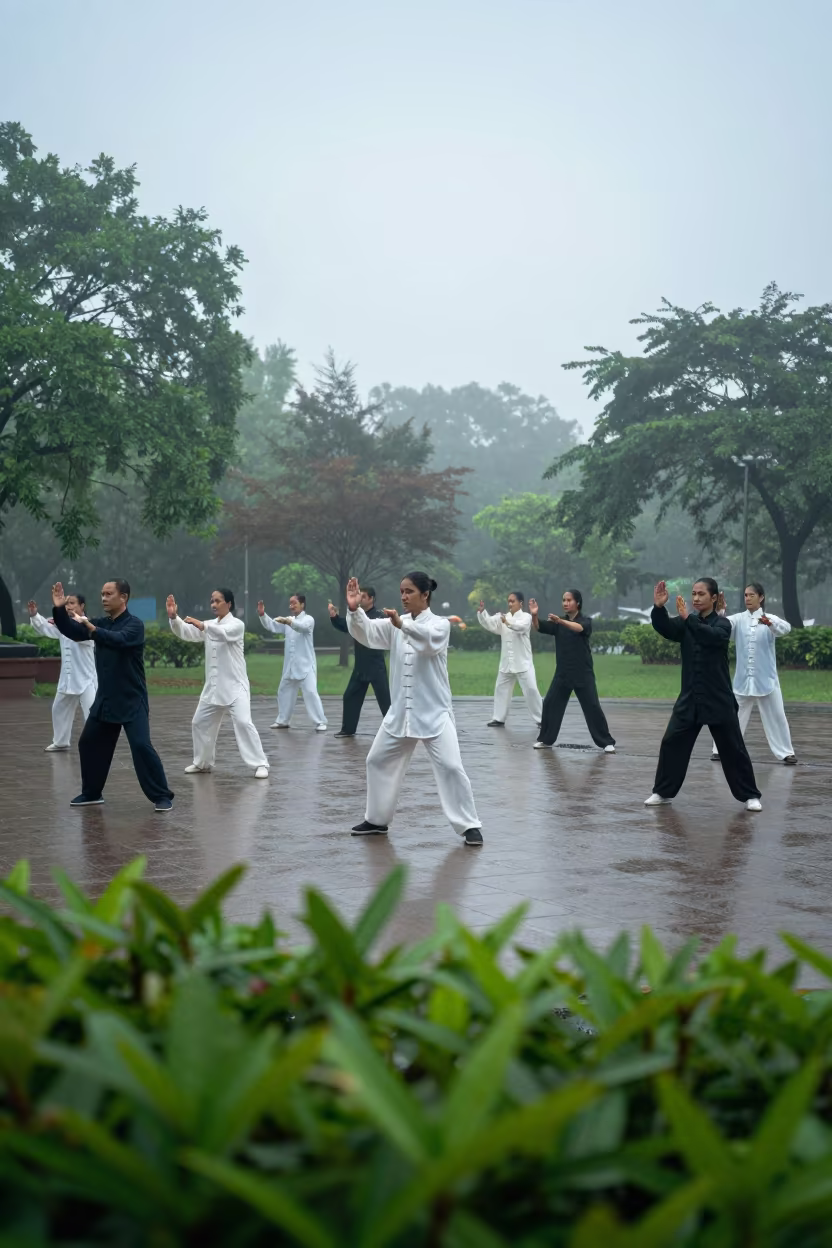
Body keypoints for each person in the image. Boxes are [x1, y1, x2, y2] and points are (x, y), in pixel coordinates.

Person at [345, 572, 483, 847]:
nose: (404, 597)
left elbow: (430, 644)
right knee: (376, 760)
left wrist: (401, 625)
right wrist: (354, 609)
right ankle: (376, 820)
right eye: (401, 591)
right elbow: (369, 633)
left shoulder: (440, 624)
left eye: (409, 591)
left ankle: (469, 825)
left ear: (425, 595)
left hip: (435, 712)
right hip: (401, 714)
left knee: (452, 766)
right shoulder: (396, 622)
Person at [51, 579, 174, 811]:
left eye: (109, 594)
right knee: (88, 743)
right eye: (102, 594)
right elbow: (72, 631)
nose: (104, 598)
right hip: (106, 699)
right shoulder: (99, 624)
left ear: (123, 597)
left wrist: (93, 629)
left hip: (132, 700)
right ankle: (91, 793)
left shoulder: (134, 625)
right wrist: (59, 609)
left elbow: (119, 640)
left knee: (141, 746)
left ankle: (162, 796)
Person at [646, 579, 762, 811]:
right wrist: (659, 608)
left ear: (714, 597)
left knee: (733, 748)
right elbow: (666, 628)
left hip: (718, 698)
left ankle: (750, 795)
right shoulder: (686, 623)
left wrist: (688, 618)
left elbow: (712, 637)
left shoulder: (723, 624)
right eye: (693, 594)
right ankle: (662, 792)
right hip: (690, 697)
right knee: (672, 743)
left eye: (701, 594)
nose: (696, 598)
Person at [167, 589, 269, 778]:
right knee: (199, 722)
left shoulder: (237, 625)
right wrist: (175, 619)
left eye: (218, 601)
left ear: (229, 604)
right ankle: (202, 763)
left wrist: (203, 625)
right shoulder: (209, 624)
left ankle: (260, 763)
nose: (213, 605)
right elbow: (188, 633)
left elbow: (223, 634)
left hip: (236, 687)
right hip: (213, 688)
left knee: (243, 722)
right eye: (212, 601)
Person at [710, 582, 797, 766]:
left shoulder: (769, 618)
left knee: (777, 716)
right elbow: (722, 626)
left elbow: (786, 629)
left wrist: (770, 623)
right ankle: (720, 749)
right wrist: (719, 612)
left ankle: (786, 753)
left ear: (761, 597)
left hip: (767, 679)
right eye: (746, 595)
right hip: (743, 679)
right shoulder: (739, 619)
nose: (747, 598)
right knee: (732, 715)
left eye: (751, 595)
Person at [529, 590, 616, 753]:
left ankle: (606, 742)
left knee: (592, 707)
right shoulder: (558, 623)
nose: (565, 603)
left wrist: (560, 622)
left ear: (578, 603)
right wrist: (534, 615)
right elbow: (539, 627)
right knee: (550, 703)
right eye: (563, 600)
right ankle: (546, 740)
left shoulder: (585, 621)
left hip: (583, 673)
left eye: (569, 600)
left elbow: (579, 628)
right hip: (563, 673)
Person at [27, 592, 97, 752]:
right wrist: (34, 615)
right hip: (67, 677)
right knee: (58, 709)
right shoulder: (62, 625)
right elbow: (45, 627)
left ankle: (96, 743)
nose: (68, 607)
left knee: (92, 713)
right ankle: (61, 741)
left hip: (87, 678)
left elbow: (75, 630)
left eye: (72, 603)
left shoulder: (87, 626)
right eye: (66, 604)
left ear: (82, 606)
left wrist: (65, 622)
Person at [257, 593, 327, 731]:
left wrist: (288, 622)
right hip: (290, 665)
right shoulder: (287, 621)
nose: (291, 606)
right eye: (290, 603)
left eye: (294, 603)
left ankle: (320, 721)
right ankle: (283, 720)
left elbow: (301, 627)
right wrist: (262, 615)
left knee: (311, 692)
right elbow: (272, 626)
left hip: (306, 665)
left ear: (302, 604)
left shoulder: (308, 620)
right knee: (283, 691)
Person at [328, 586, 391, 737]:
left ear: (371, 599)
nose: (360, 599)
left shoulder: (379, 616)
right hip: (360, 666)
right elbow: (347, 626)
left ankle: (394, 730)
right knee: (350, 696)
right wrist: (334, 617)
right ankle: (348, 729)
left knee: (385, 701)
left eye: (363, 597)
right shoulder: (355, 616)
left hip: (376, 665)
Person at [477, 591, 543, 727]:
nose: (510, 604)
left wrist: (506, 622)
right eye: (509, 601)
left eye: (513, 601)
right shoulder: (502, 617)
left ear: (521, 603)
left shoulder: (526, 617)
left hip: (523, 663)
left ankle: (542, 719)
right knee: (501, 689)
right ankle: (498, 718)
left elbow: (520, 627)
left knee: (531, 690)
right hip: (506, 662)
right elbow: (490, 624)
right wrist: (483, 612)